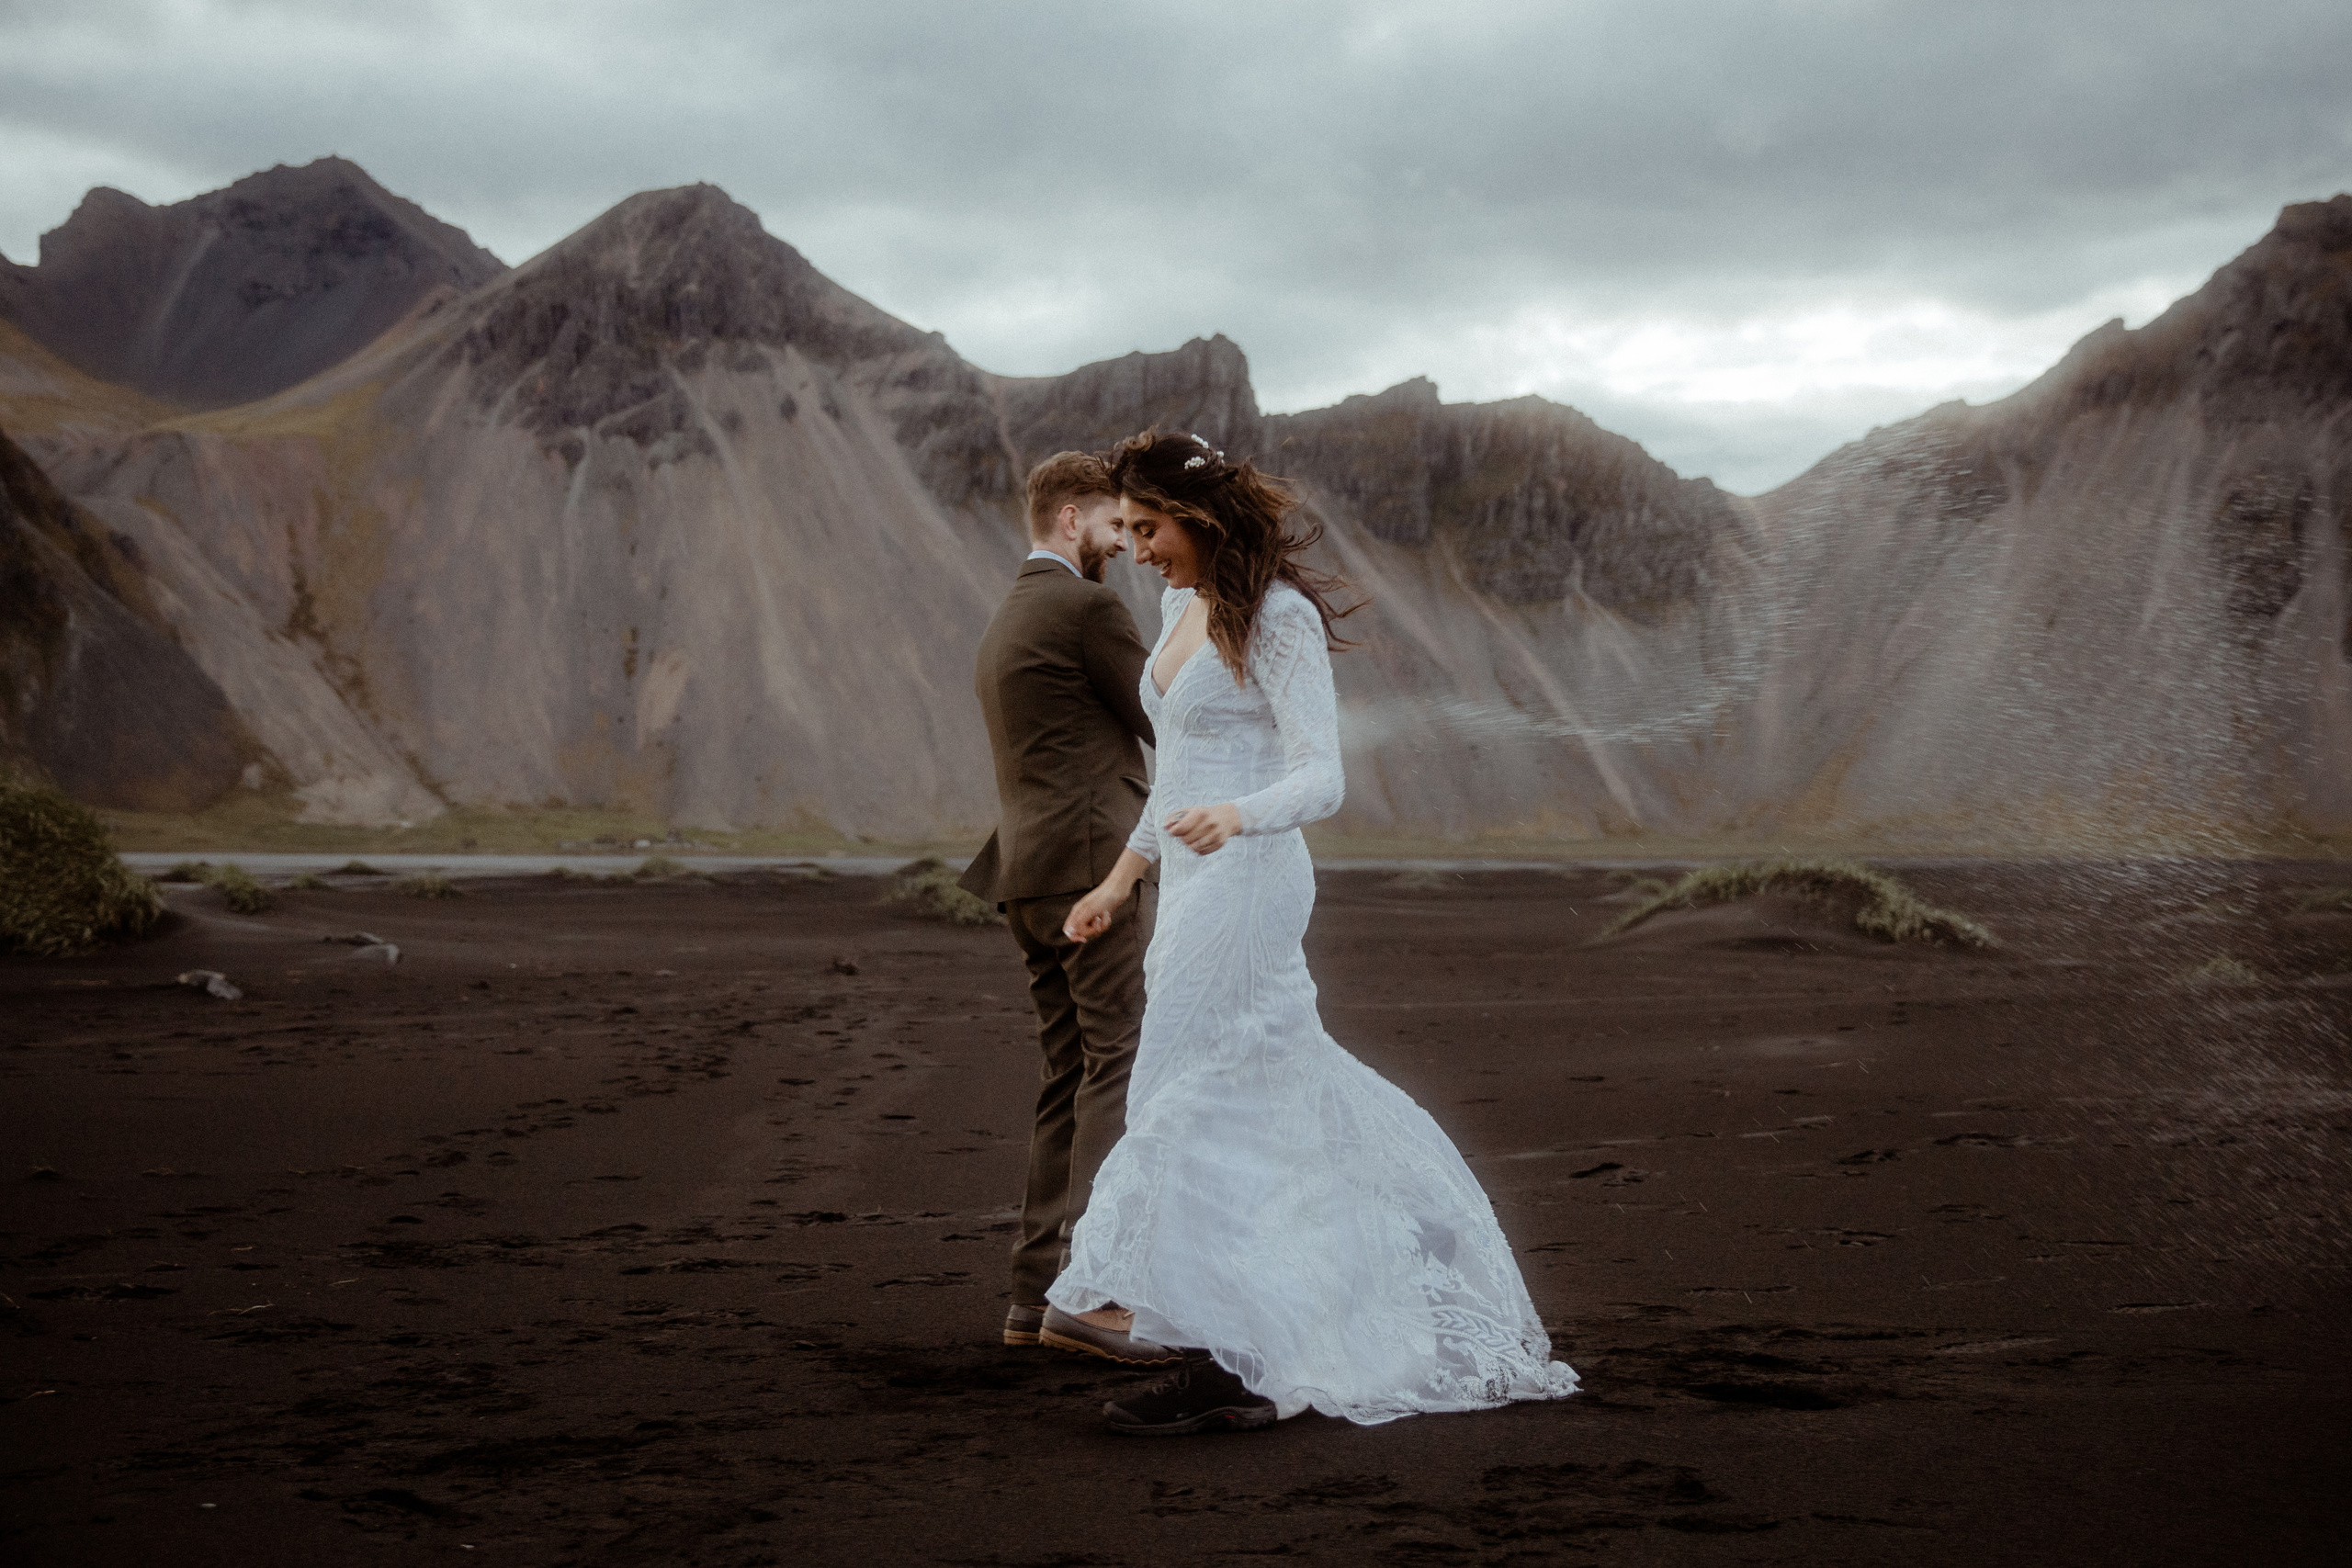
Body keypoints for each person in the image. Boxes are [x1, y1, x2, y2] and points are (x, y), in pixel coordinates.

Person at [1053, 430, 1580, 1435]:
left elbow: (1321, 776)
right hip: (1190, 889)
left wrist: (1240, 815)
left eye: (1150, 528)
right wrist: (1119, 881)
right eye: (1128, 530)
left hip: (1250, 881)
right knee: (1245, 1094)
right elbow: (1175, 774)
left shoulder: (1278, 618)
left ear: (1198, 518)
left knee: (1184, 1091)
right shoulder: (1176, 609)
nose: (1137, 549)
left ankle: (1229, 1356)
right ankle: (1265, 1331)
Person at [957, 450, 1174, 1362]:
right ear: (1072, 517)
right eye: (1116, 526)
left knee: (1067, 1074)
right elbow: (1167, 717)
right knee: (1116, 1066)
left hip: (1026, 872)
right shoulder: (1087, 610)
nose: (1124, 545)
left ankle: (1033, 1294)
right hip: (1090, 868)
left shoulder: (1006, 617)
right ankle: (1093, 1293)